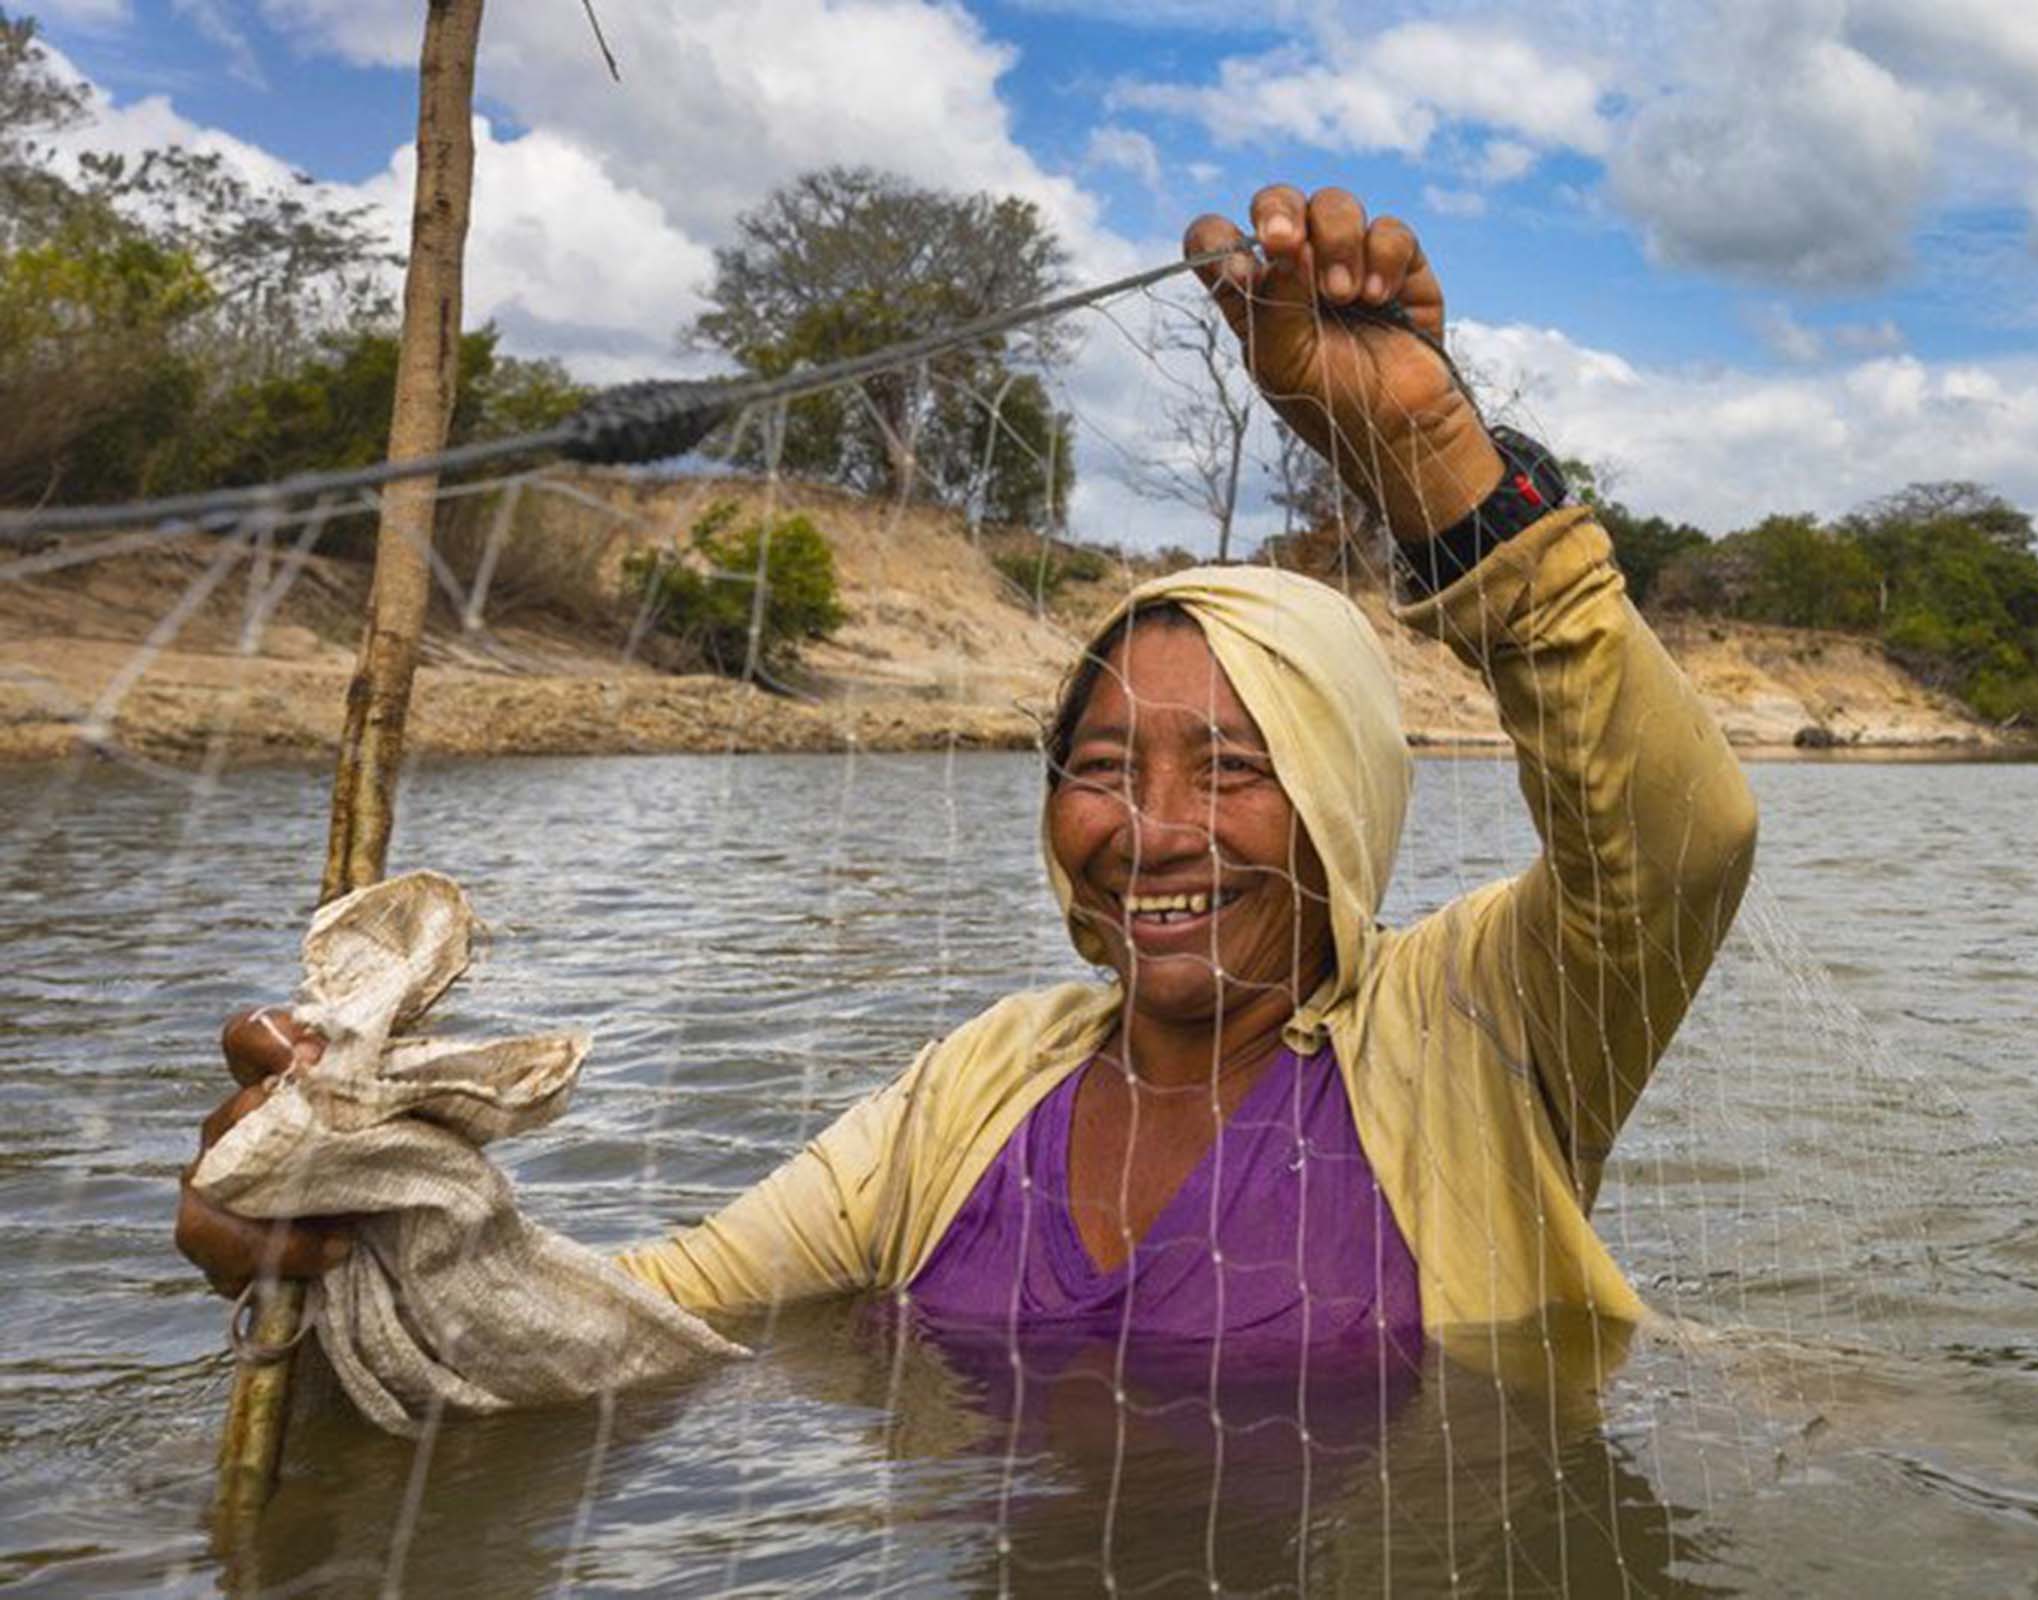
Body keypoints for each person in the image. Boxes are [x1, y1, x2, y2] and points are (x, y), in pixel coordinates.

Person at [178, 183, 1758, 1371]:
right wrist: (365, 1236)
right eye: (1098, 765)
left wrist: (1428, 461)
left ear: (1346, 796)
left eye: (1234, 766)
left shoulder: (1478, 1028)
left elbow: (1681, 841)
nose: (1151, 827)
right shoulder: (974, 1091)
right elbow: (649, 1318)